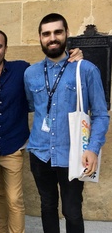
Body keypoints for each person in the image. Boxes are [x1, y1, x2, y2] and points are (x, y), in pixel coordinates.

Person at [0, 29, 83, 233]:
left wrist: (73, 56)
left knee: (14, 198)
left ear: (5, 48)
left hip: (13, 146)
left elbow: (49, 70)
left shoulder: (22, 69)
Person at [24, 13, 109, 233]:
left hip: (73, 154)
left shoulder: (86, 70)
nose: (52, 38)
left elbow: (100, 114)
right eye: (46, 34)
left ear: (67, 33)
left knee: (72, 210)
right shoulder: (30, 73)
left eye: (57, 32)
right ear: (40, 38)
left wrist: (93, 148)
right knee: (47, 206)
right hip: (40, 152)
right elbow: (33, 106)